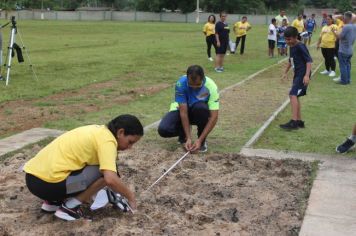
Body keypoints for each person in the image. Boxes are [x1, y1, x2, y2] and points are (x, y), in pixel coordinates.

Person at [24, 114, 144, 221]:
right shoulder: (108, 141)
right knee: (109, 173)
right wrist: (130, 196)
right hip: (50, 186)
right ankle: (70, 208)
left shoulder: (96, 130)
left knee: (91, 166)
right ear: (120, 132)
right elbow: (110, 179)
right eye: (130, 142)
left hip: (32, 180)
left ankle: (53, 202)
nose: (130, 147)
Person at [158, 65, 219, 153]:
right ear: (187, 78)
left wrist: (200, 140)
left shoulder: (211, 87)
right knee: (163, 130)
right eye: (191, 85)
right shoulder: (180, 83)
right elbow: (183, 112)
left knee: (201, 108)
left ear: (203, 78)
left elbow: (214, 117)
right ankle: (184, 135)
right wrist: (189, 137)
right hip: (181, 109)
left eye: (197, 85)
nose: (194, 87)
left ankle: (201, 141)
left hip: (198, 112)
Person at [280, 26, 312, 130]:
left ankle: (293, 122)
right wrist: (285, 72)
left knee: (292, 94)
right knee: (295, 96)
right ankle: (299, 121)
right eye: (285, 39)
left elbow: (308, 61)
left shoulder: (300, 46)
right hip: (297, 73)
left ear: (295, 37)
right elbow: (291, 60)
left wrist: (307, 75)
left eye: (289, 39)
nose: (287, 41)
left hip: (302, 74)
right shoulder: (292, 46)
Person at [332, 11, 356, 85]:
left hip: (343, 50)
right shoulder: (354, 26)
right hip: (350, 49)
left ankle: (344, 81)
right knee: (348, 65)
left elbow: (339, 37)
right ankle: (348, 80)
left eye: (344, 18)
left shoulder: (346, 26)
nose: (343, 19)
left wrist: (334, 31)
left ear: (346, 18)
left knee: (343, 66)